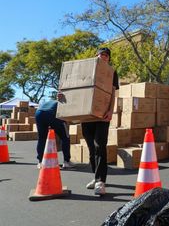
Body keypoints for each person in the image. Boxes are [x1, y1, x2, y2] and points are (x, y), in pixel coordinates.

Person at [82, 47, 119, 196]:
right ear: (96, 56)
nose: (104, 57)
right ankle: (95, 176)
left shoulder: (111, 72)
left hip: (103, 115)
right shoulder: (88, 70)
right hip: (86, 114)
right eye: (101, 54)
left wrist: (110, 111)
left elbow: (112, 94)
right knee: (91, 147)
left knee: (99, 146)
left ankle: (100, 181)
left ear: (109, 58)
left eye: (106, 55)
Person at [35, 100, 74, 169]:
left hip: (39, 113)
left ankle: (40, 162)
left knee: (42, 138)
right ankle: (66, 161)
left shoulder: (51, 102)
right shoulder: (65, 104)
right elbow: (66, 118)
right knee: (65, 137)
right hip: (51, 113)